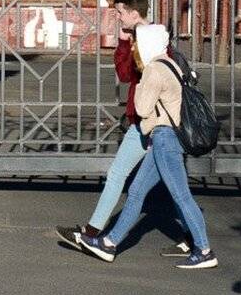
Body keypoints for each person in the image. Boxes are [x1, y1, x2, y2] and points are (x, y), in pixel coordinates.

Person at [56, 0, 188, 257]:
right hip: (142, 122)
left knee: (171, 186)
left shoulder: (155, 40)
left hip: (154, 125)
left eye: (119, 12)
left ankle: (197, 240)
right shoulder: (137, 38)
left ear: (133, 12)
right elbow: (125, 73)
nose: (117, 17)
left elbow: (139, 76)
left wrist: (130, 44)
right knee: (152, 181)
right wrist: (126, 42)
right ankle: (93, 233)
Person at [74, 23, 218, 270]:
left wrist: (140, 83)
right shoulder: (170, 64)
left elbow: (141, 108)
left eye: (138, 43)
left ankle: (204, 250)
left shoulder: (152, 70)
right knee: (138, 191)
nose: (135, 48)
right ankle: (109, 243)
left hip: (165, 140)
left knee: (181, 195)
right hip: (164, 138)